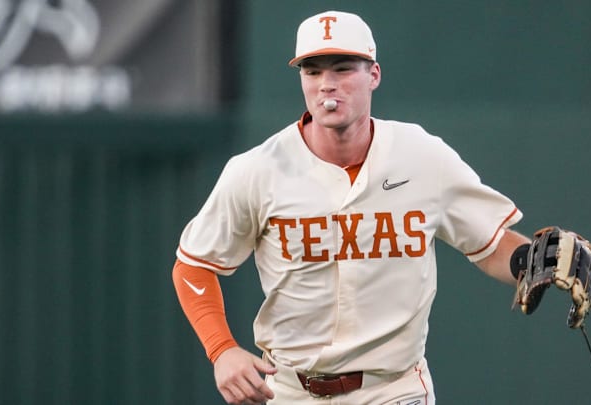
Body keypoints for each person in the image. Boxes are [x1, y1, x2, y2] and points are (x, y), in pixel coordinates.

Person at [172, 10, 531, 404]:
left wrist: (529, 262)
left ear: (373, 75)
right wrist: (221, 349)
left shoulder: (422, 157)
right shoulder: (257, 169)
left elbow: (492, 242)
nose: (328, 84)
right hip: (290, 389)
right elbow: (194, 265)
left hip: (394, 388)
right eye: (313, 71)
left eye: (343, 69)